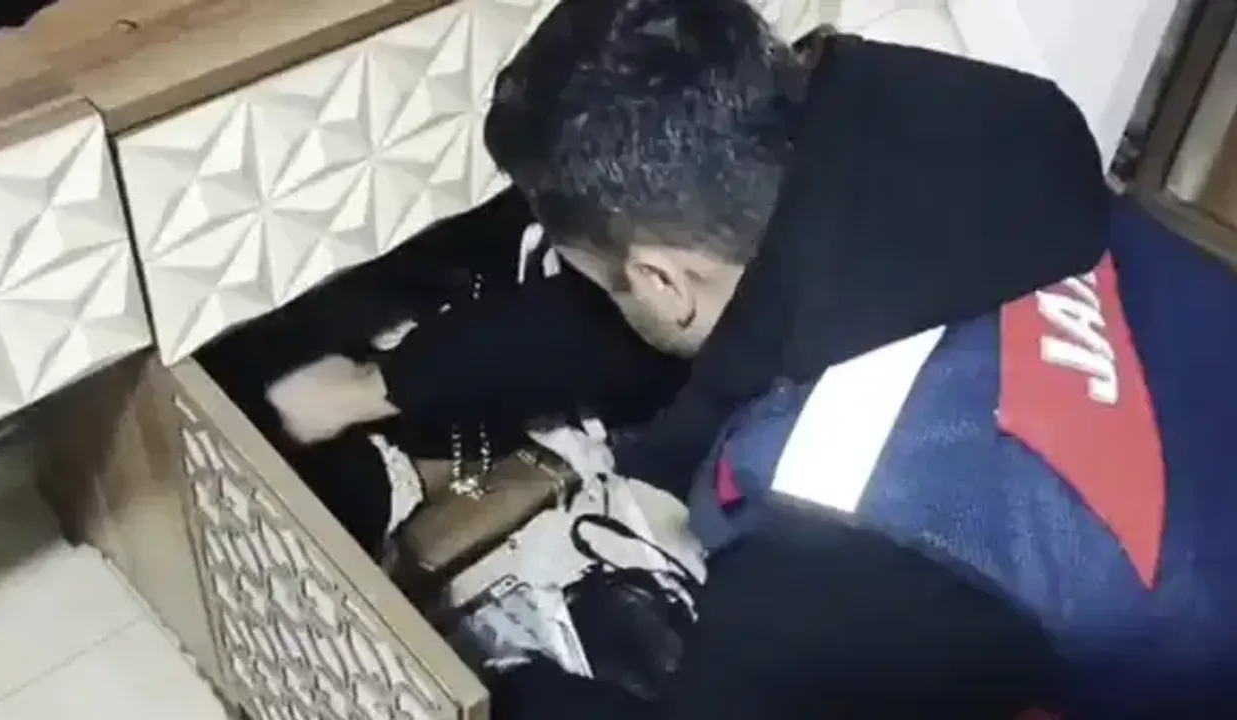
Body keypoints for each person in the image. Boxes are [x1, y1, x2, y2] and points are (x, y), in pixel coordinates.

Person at [269, 1, 1114, 717]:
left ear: (662, 280)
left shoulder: (817, 541)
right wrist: (386, 384)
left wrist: (484, 682)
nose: (594, 295)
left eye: (597, 278)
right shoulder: (992, 113)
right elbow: (673, 321)